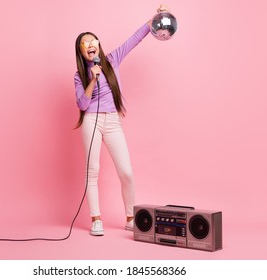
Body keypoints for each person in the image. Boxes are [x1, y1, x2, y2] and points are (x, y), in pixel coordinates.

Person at [74, 5, 170, 236]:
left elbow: (134, 38)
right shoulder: (80, 75)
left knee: (126, 171)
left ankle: (130, 217)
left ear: (98, 44)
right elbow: (82, 104)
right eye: (85, 43)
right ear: (80, 50)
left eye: (93, 41)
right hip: (92, 121)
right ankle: (96, 218)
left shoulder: (113, 59)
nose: (90, 44)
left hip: (113, 121)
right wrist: (92, 80)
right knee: (92, 171)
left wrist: (155, 19)